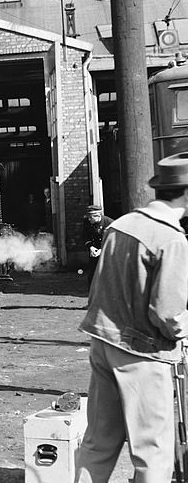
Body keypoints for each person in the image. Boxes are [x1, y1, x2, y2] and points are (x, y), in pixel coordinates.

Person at [75, 153, 188, 483]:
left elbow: (97, 286)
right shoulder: (171, 239)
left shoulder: (120, 225)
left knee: (98, 444)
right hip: (142, 352)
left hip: (103, 343)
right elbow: (167, 313)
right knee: (152, 451)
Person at [81, 204, 113, 285]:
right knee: (92, 275)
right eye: (88, 217)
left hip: (108, 252)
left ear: (98, 216)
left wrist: (102, 250)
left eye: (91, 217)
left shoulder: (110, 223)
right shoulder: (87, 222)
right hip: (94, 252)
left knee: (108, 275)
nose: (89, 219)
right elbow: (85, 236)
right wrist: (91, 247)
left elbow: (113, 241)